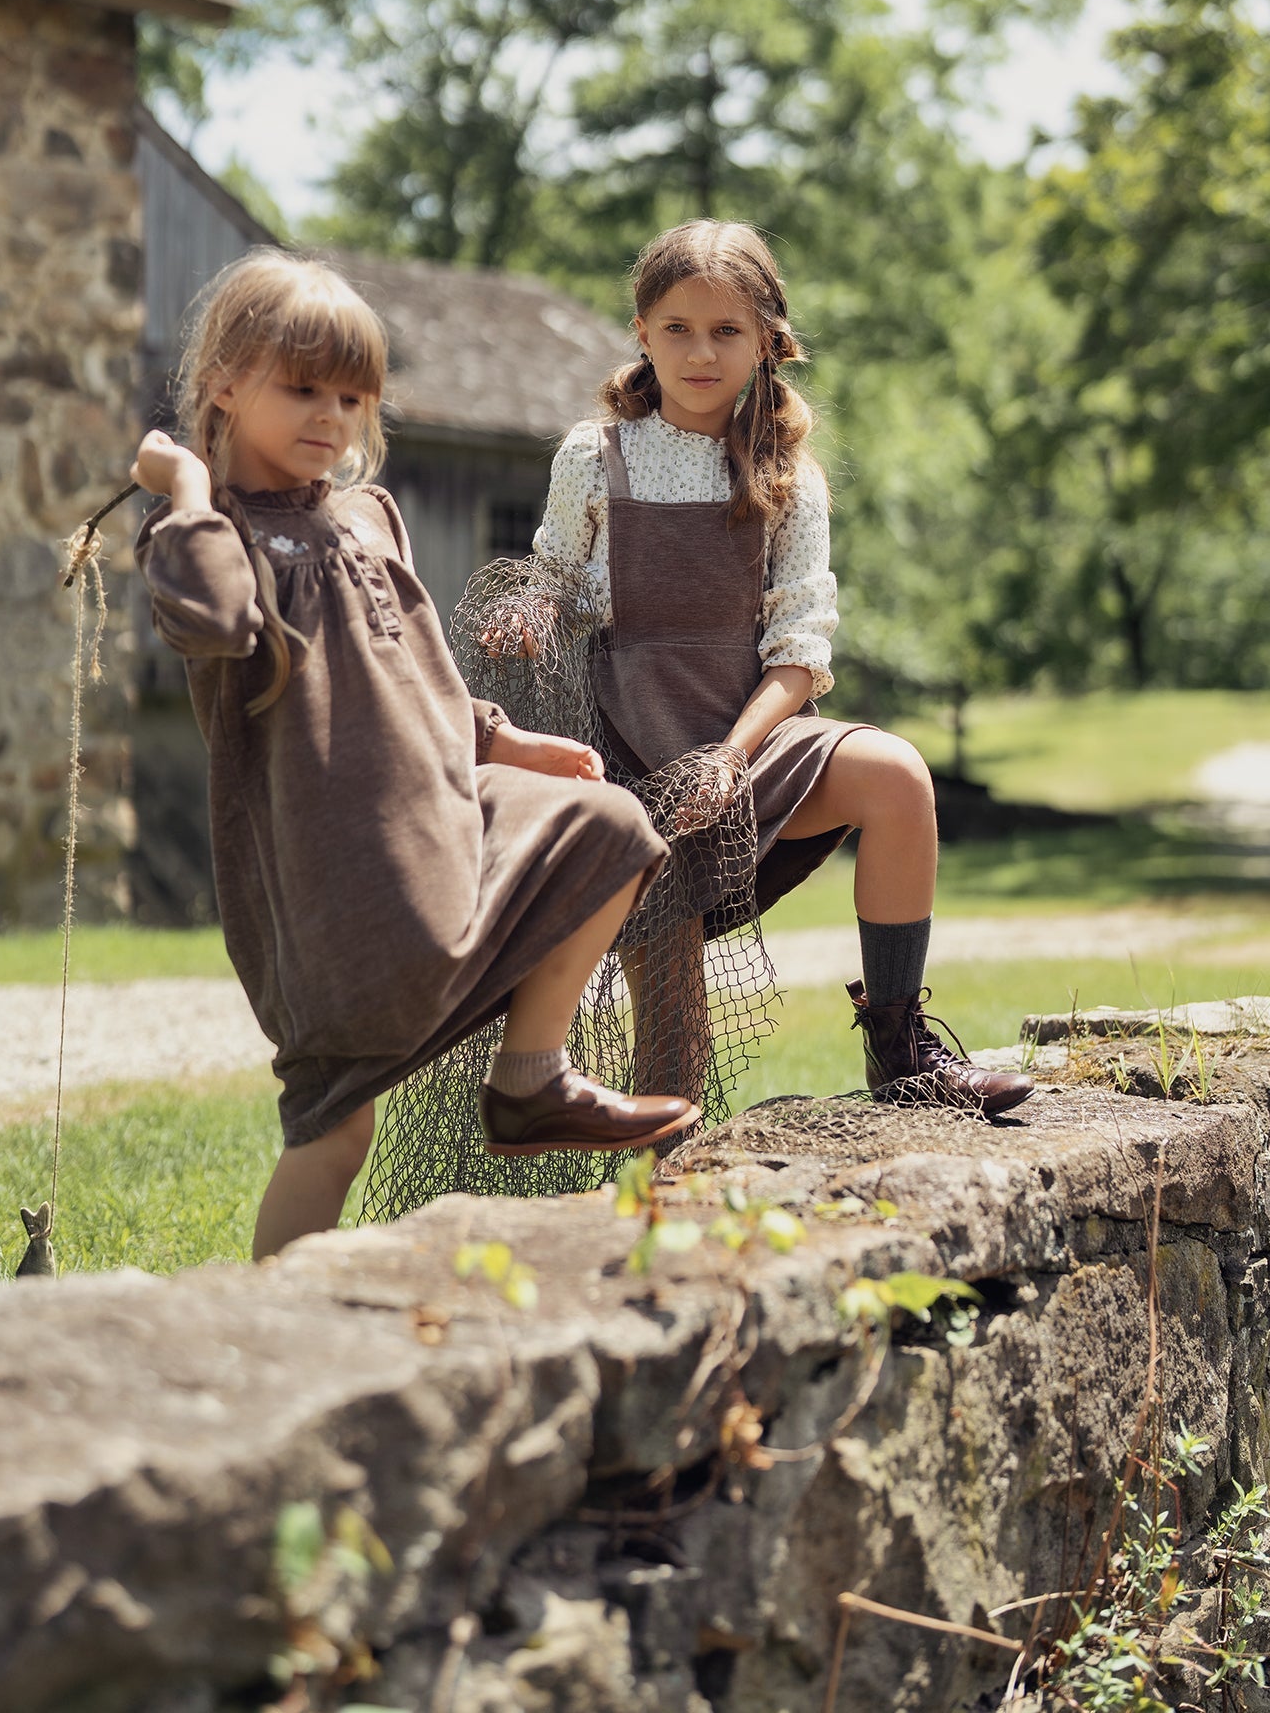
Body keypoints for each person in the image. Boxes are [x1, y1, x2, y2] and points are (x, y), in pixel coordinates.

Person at [132, 248, 689, 1258]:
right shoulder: (211, 537)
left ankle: (529, 1082)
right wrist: (185, 484)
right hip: (337, 885)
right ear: (224, 382)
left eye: (352, 398)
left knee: (612, 827)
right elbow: (214, 620)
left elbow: (418, 672)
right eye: (302, 389)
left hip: (445, 822)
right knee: (338, 1132)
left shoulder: (366, 514)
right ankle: (264, 1321)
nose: (330, 418)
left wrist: (503, 740)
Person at [523, 218, 1032, 1119]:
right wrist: (530, 609)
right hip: (634, 768)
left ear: (766, 341)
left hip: (749, 742)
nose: (701, 352)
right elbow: (555, 577)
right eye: (677, 328)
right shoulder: (591, 457)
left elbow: (799, 654)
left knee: (897, 776)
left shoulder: (788, 474)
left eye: (726, 331)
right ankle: (656, 1222)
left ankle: (900, 1048)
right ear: (642, 332)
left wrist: (729, 757)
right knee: (673, 1055)